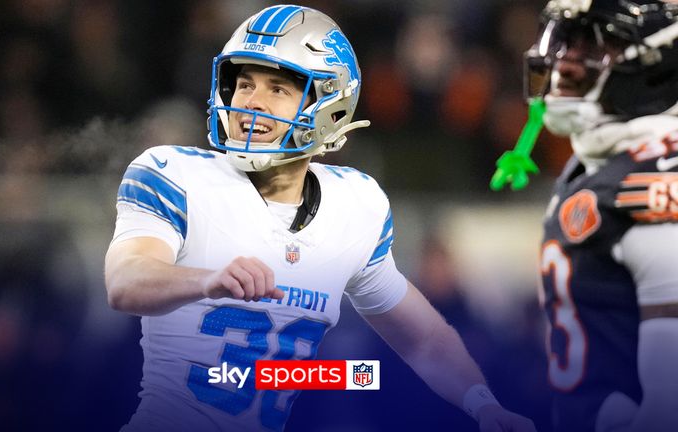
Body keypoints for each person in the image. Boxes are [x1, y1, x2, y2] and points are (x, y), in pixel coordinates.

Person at [104, 5, 535, 432]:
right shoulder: (176, 174)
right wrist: (204, 280)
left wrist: (483, 405)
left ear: (329, 106)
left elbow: (423, 338)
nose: (251, 102)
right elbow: (125, 280)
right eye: (244, 83)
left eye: (278, 88)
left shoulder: (354, 203)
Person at [521, 1, 678, 431]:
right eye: (566, 41)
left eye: (597, 43)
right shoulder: (601, 159)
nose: (565, 63)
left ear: (661, 59)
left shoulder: (658, 184)